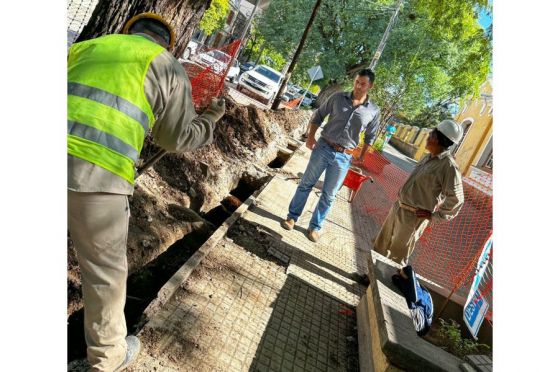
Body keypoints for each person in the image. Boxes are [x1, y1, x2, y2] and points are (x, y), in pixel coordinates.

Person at [67, 13, 225, 372]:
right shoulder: (168, 67)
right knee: (104, 274)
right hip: (100, 178)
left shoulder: (87, 47)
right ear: (168, 45)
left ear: (128, 32)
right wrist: (211, 120)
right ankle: (107, 358)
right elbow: (174, 138)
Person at [281, 69, 380, 242]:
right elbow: (319, 115)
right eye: (357, 82)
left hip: (344, 157)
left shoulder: (373, 111)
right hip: (323, 147)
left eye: (363, 83)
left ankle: (314, 227)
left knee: (329, 195)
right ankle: (292, 217)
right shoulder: (337, 98)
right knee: (306, 184)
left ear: (370, 86)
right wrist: (310, 137)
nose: (358, 86)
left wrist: (362, 156)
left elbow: (371, 136)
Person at [373, 119, 465, 266]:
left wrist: (435, 216)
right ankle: (368, 276)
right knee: (381, 243)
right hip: (398, 207)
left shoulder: (448, 167)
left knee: (398, 254)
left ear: (438, 139)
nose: (428, 137)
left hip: (414, 217)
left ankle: (384, 283)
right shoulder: (427, 157)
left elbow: (457, 199)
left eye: (431, 135)